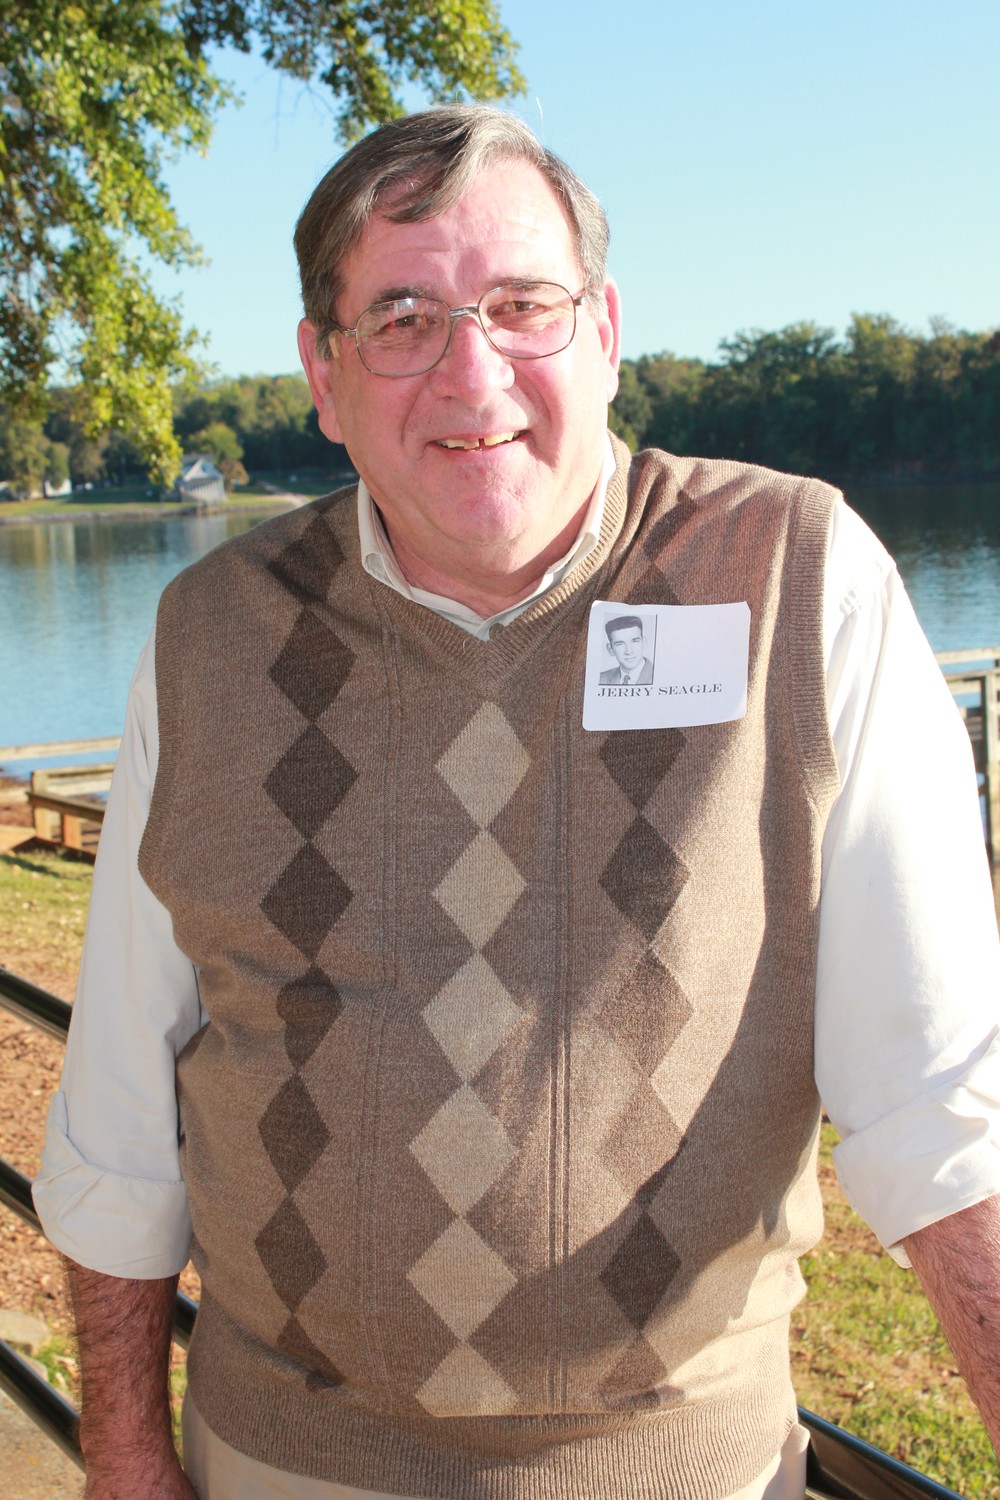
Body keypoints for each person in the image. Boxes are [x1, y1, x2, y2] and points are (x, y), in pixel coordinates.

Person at [33, 105, 1000, 1500]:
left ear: (602, 330)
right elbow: (121, 1104)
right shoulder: (209, 637)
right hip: (277, 1465)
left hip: (688, 1475)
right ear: (323, 375)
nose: (470, 371)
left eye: (522, 306)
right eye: (403, 317)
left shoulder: (798, 581)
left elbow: (943, 1102)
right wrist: (124, 1453)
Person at [599, 614, 654, 684]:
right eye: (620, 644)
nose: (629, 651)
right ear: (610, 649)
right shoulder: (600, 679)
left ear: (644, 643)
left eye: (635, 642)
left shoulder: (660, 674)